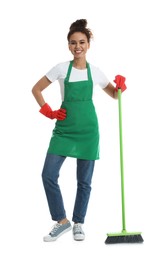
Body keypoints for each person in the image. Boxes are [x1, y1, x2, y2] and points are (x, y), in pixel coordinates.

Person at [32, 19, 126, 242]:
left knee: (84, 181)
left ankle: (78, 223)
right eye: (73, 42)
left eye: (82, 42)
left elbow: (114, 95)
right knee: (48, 174)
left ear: (88, 44)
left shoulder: (96, 71)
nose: (78, 46)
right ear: (68, 45)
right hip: (64, 130)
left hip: (88, 131)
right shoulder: (61, 68)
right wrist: (48, 111)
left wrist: (121, 86)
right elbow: (36, 89)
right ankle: (61, 221)